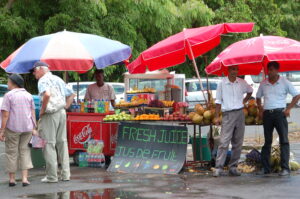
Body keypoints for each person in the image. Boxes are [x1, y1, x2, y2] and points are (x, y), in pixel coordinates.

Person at [32, 61, 75, 183]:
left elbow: (47, 94)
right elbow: (71, 94)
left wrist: (42, 110)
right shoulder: (58, 78)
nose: (34, 73)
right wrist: (65, 106)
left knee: (49, 144)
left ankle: (52, 176)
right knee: (62, 143)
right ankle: (66, 175)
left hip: (50, 114)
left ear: (40, 69)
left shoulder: (42, 80)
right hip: (61, 112)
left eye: (34, 71)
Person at [256, 61, 300, 176]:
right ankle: (266, 168)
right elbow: (258, 97)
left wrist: (288, 108)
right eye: (268, 70)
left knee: (284, 141)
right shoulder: (263, 84)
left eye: (272, 70)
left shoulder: (285, 82)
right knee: (267, 141)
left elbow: (297, 95)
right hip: (267, 115)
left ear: (277, 70)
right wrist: (260, 110)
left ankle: (285, 168)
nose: (269, 72)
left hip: (280, 114)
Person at [213, 65, 253, 177]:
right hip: (228, 114)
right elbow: (218, 101)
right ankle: (219, 168)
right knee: (224, 142)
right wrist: (216, 116)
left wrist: (244, 101)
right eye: (232, 69)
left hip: (240, 113)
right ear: (228, 70)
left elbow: (250, 91)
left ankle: (233, 167)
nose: (234, 71)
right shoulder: (222, 83)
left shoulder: (241, 82)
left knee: (238, 143)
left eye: (236, 69)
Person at [0, 74, 37, 187]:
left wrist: (2, 130)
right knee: (24, 151)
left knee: (12, 152)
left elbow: (5, 114)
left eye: (9, 81)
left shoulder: (9, 95)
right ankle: (25, 179)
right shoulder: (28, 95)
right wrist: (34, 127)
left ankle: (12, 179)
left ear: (13, 83)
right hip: (27, 128)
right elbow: (32, 112)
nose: (8, 83)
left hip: (13, 128)